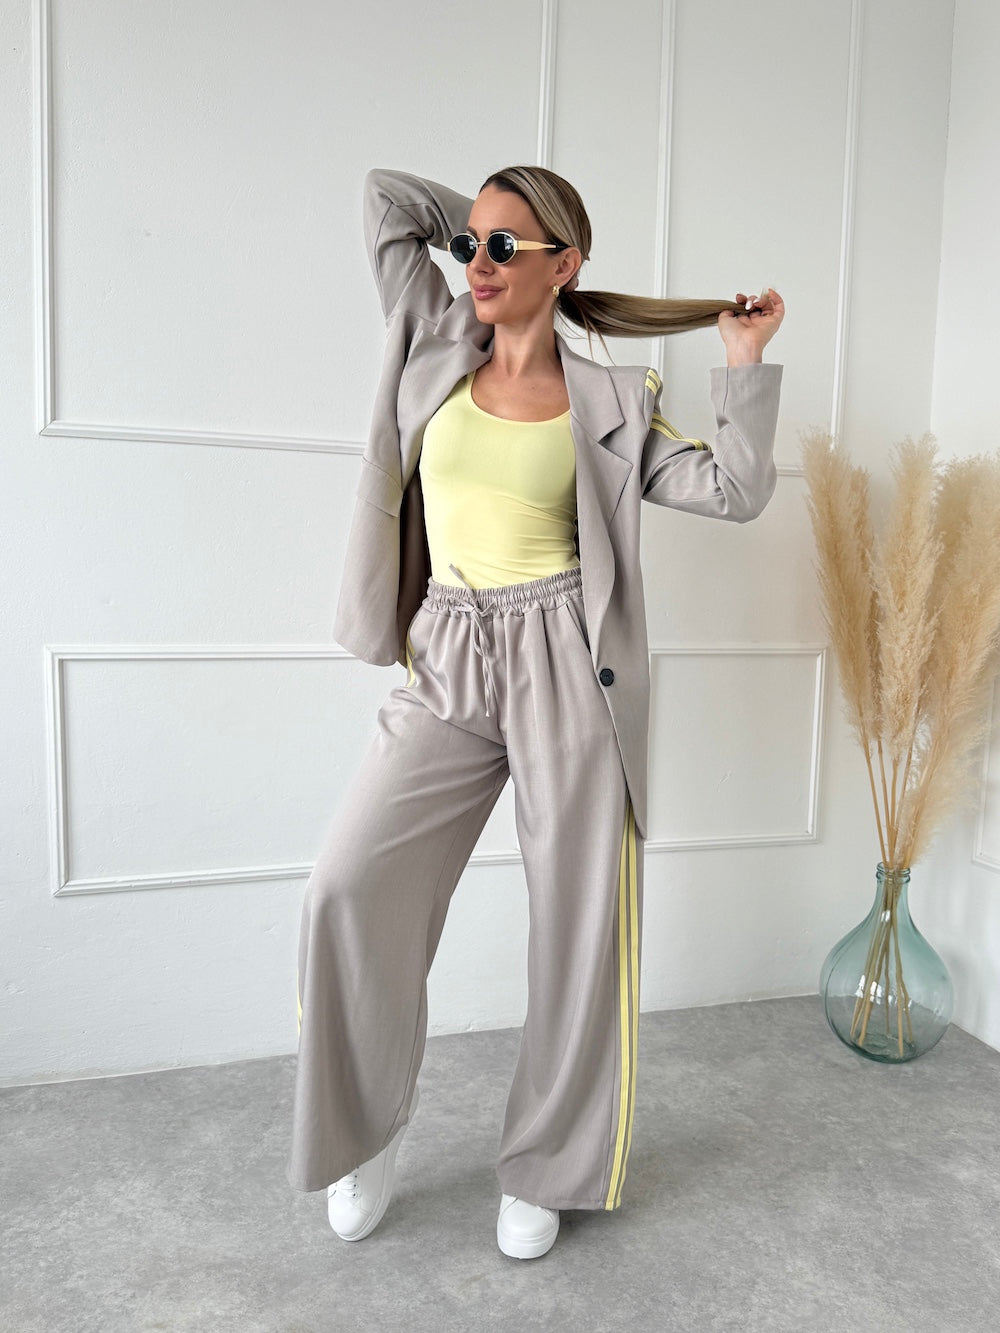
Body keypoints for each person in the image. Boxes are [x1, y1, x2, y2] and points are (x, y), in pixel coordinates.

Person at [286, 166, 785, 1260]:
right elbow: (382, 200)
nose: (477, 265)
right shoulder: (432, 337)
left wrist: (741, 362)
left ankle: (550, 1162)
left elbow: (736, 491)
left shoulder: (611, 399)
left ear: (566, 264)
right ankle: (366, 1128)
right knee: (346, 886)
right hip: (447, 653)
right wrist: (489, 218)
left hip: (568, 664)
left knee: (577, 926)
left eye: (506, 249)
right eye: (471, 243)